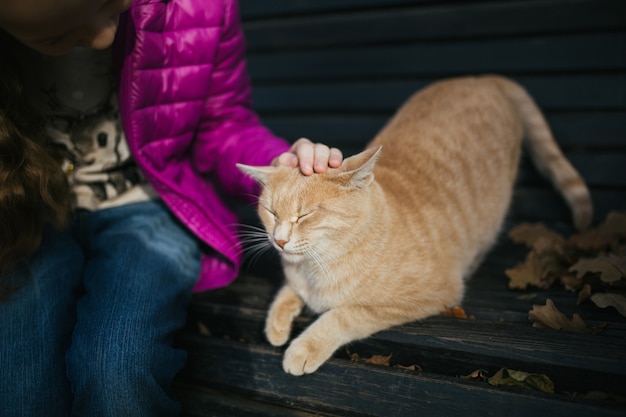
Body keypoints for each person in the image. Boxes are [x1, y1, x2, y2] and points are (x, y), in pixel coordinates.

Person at [0, 0, 343, 416]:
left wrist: (280, 165)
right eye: (55, 37)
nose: (104, 37)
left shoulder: (200, 8)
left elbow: (223, 125)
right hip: (24, 216)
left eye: (109, 5)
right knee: (17, 384)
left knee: (118, 369)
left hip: (149, 206)